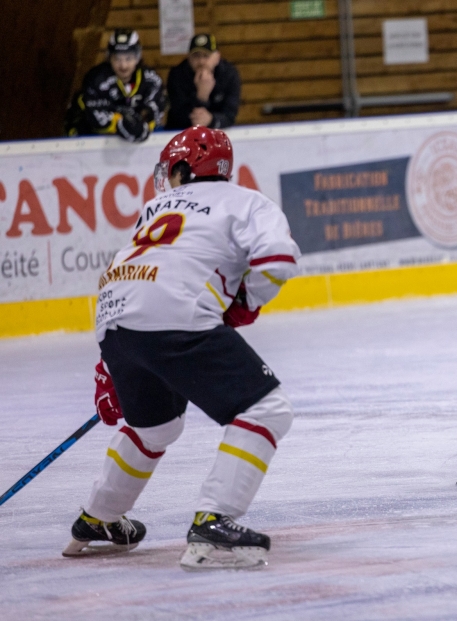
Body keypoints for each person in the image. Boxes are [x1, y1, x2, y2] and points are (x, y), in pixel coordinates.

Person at [62, 126, 301, 569]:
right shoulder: (247, 201)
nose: (168, 180)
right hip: (176, 317)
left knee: (155, 427)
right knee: (268, 410)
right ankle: (215, 517)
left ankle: (99, 517)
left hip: (114, 322)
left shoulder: (154, 208)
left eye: (171, 170)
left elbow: (127, 274)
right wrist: (244, 305)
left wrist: (109, 362)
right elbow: (279, 261)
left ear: (186, 167)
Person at [65, 29, 166, 142]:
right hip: (90, 136)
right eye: (117, 58)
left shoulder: (151, 79)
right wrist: (119, 124)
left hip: (134, 136)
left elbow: (155, 109)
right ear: (109, 58)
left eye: (128, 58)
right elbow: (94, 115)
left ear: (137, 57)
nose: (123, 65)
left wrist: (141, 124)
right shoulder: (96, 79)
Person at [166, 34, 241, 130]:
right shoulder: (177, 75)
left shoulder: (229, 75)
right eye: (196, 56)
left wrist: (211, 120)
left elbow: (230, 115)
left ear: (217, 57)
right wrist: (201, 97)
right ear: (189, 58)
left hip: (217, 133)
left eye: (206, 56)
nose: (201, 61)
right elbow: (179, 116)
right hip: (181, 133)